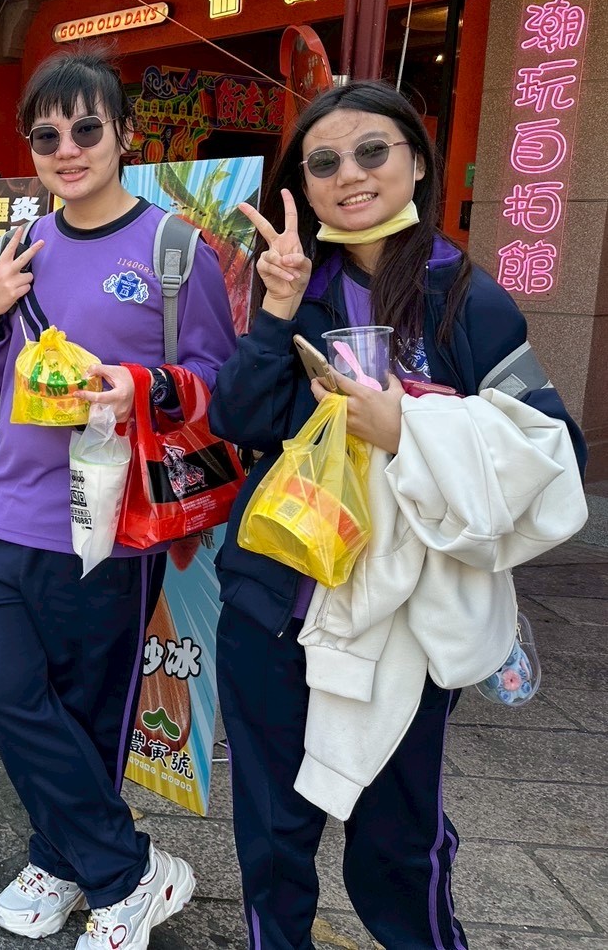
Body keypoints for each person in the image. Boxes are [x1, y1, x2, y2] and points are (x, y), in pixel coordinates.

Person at [209, 80, 586, 950]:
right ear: (302, 188)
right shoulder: (294, 285)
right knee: (271, 831)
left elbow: (555, 451)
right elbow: (237, 421)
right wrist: (274, 310)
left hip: (401, 626)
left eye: (371, 151)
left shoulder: (466, 298)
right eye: (323, 162)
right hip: (273, 604)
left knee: (395, 841)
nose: (349, 173)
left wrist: (405, 429)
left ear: (417, 161)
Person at [0, 49, 236, 947]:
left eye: (86, 128)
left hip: (108, 523)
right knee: (0, 688)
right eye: (46, 136)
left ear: (123, 134)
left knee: (83, 707)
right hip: (4, 507)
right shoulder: (20, 248)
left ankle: (60, 858)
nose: (67, 149)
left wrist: (137, 384)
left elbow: (217, 382)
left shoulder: (172, 250)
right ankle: (128, 872)